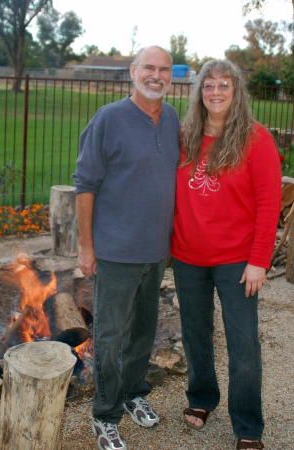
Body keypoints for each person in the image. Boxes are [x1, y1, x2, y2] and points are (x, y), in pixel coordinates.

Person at [73, 45, 180, 450]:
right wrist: (87, 247)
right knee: (111, 335)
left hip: (155, 252)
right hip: (116, 252)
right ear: (132, 72)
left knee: (143, 331)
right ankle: (105, 415)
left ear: (171, 76)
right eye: (148, 68)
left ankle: (135, 393)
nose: (156, 75)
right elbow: (85, 185)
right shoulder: (109, 118)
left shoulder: (170, 118)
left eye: (164, 69)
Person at [171, 59, 281, 450]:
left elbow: (269, 205)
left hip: (238, 260)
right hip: (187, 257)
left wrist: (260, 260)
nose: (215, 92)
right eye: (208, 86)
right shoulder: (185, 137)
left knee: (243, 342)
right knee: (195, 334)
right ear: (199, 92)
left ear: (237, 93)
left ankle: (248, 424)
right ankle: (202, 399)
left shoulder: (256, 139)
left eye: (224, 86)